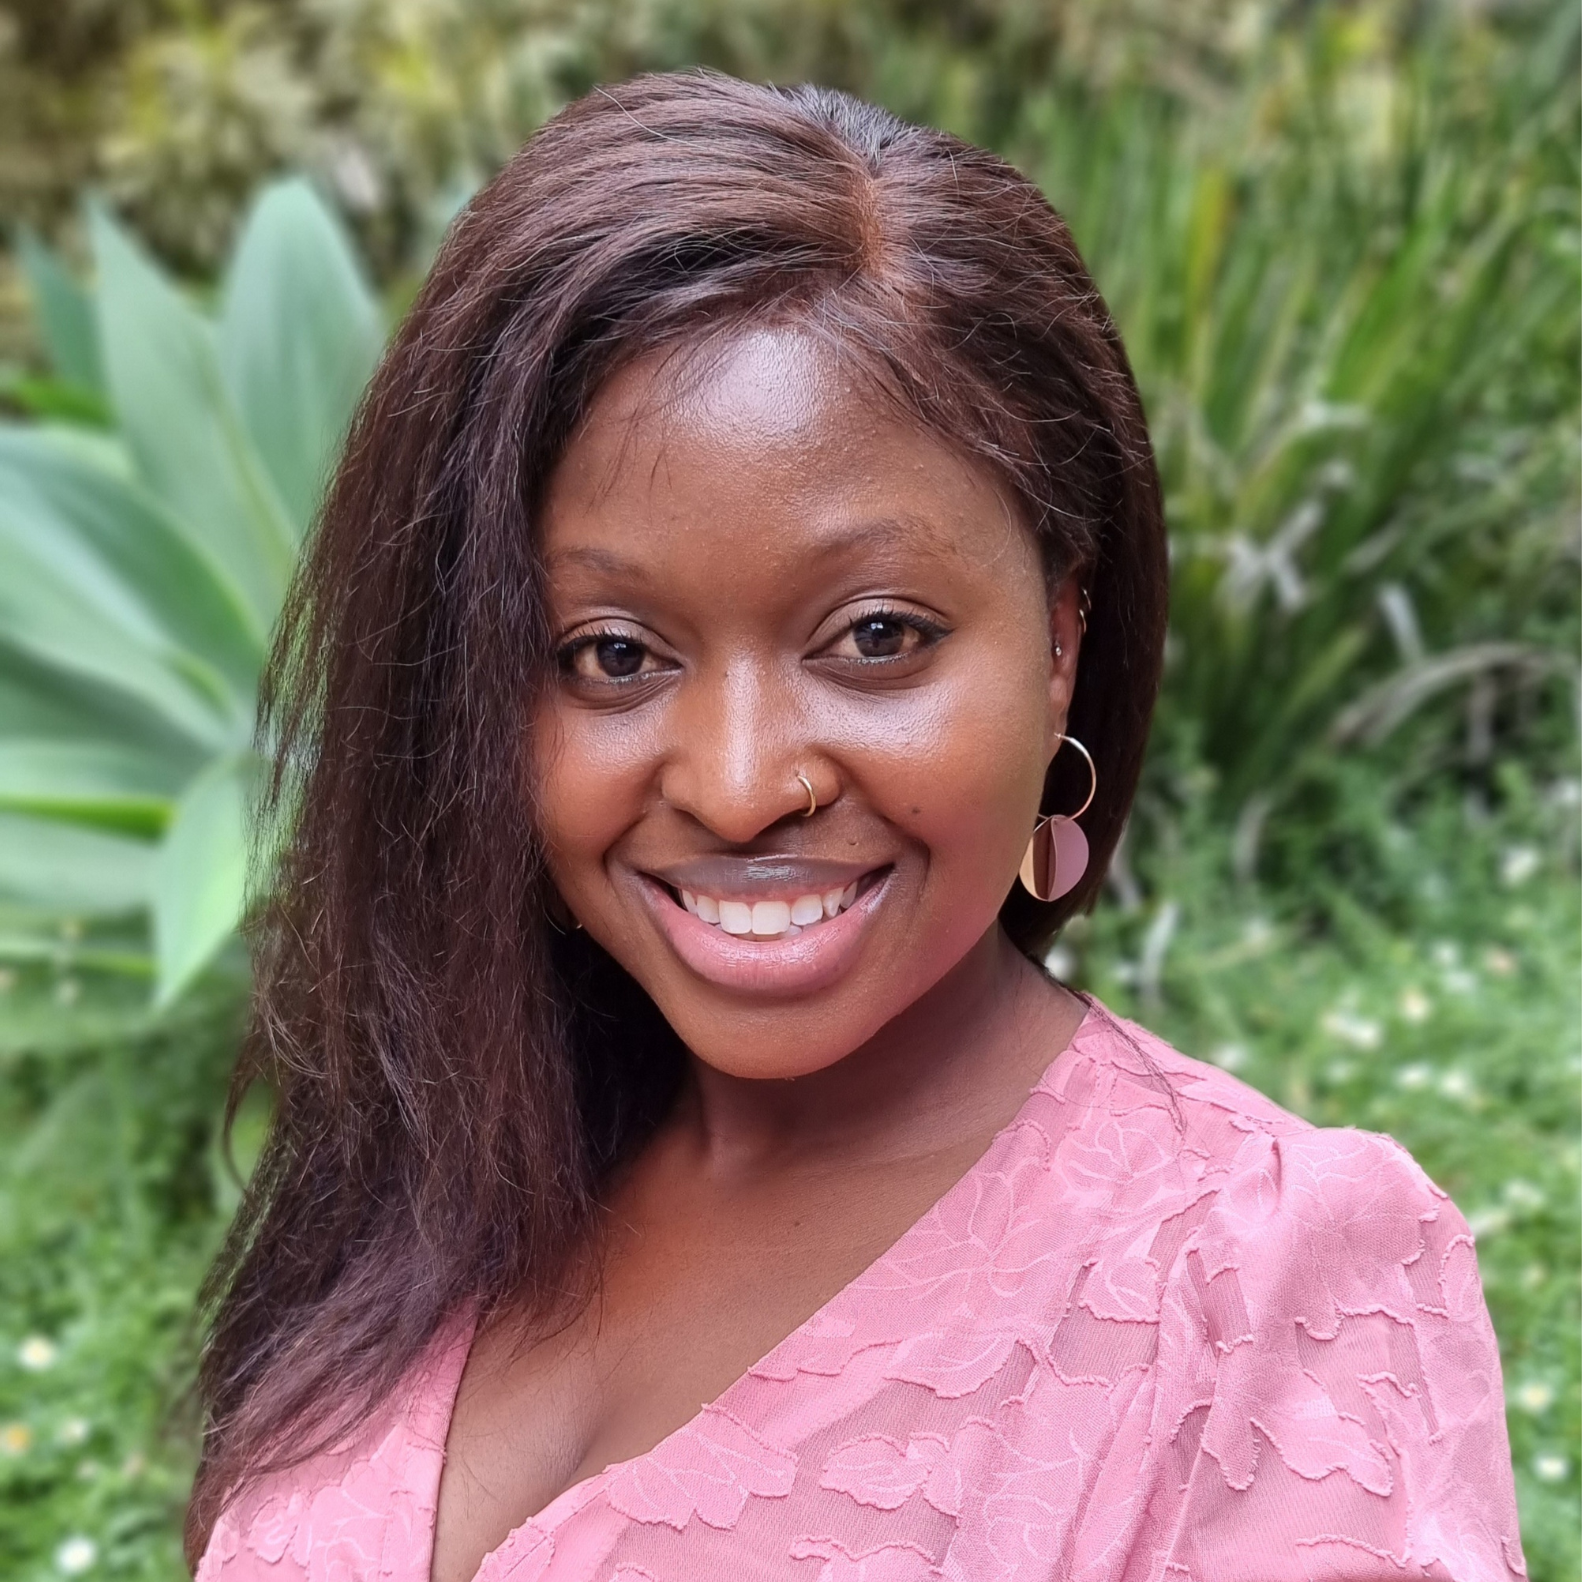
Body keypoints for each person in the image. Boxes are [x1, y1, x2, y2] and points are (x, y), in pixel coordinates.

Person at [188, 70, 1524, 1582]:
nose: (741, 782)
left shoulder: (1265, 1292)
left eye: (876, 636)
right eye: (611, 655)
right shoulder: (446, 1176)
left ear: (1060, 634)